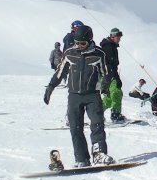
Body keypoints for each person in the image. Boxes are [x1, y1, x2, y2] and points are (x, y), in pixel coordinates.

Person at [44, 24, 115, 169]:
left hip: (92, 96)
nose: (79, 46)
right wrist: (50, 87)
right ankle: (81, 158)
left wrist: (106, 87)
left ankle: (99, 154)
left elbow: (106, 73)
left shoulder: (98, 54)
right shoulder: (70, 53)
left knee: (97, 124)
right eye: (76, 43)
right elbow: (60, 72)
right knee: (75, 128)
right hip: (74, 96)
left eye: (82, 43)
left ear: (89, 40)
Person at [99, 28, 125, 122]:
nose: (119, 39)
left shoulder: (111, 46)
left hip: (107, 75)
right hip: (109, 75)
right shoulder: (108, 47)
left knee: (109, 97)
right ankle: (115, 114)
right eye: (118, 37)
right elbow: (109, 64)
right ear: (112, 36)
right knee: (117, 92)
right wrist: (116, 78)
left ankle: (98, 113)